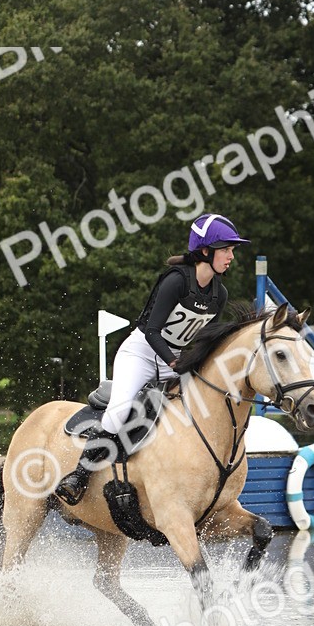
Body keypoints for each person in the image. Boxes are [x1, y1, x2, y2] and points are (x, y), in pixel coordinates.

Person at [56, 212, 250, 505]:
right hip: (141, 353)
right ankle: (79, 476)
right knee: (120, 411)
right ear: (205, 251)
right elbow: (152, 331)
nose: (231, 256)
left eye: (232, 250)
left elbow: (204, 339)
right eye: (226, 249)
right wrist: (174, 362)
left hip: (176, 359)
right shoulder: (176, 281)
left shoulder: (218, 294)